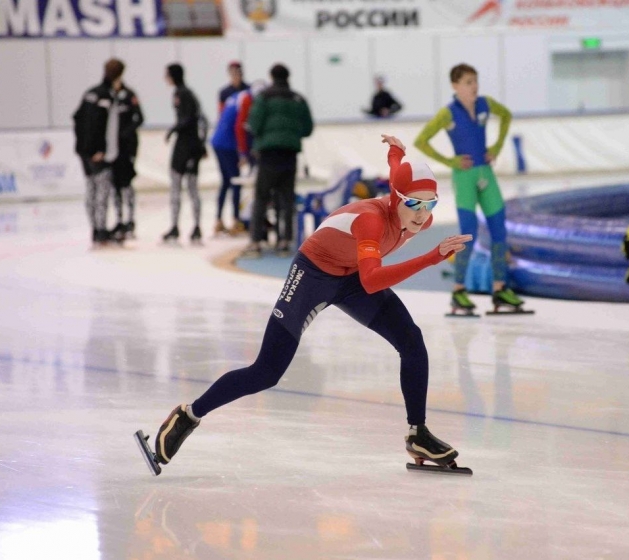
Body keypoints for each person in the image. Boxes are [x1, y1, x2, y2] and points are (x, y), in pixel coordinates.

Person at [141, 135, 473, 474]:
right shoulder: (371, 220)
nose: (422, 215)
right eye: (414, 204)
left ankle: (417, 433)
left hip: (353, 274)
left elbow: (396, 174)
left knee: (412, 342)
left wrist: (396, 151)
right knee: (266, 371)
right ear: (396, 198)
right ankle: (189, 414)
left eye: (430, 204)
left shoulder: (413, 209)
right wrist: (433, 257)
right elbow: (373, 280)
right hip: (314, 273)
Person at [414, 63, 526, 313]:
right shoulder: (448, 113)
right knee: (469, 232)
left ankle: (500, 289)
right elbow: (421, 141)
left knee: (499, 230)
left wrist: (496, 146)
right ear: (455, 86)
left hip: (486, 173)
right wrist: (449, 161)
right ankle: (458, 291)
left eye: (475, 81)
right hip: (464, 176)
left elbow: (506, 115)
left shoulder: (485, 104)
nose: (474, 86)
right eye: (468, 82)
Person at [243, 63, 313, 257]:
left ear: (271, 77)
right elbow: (307, 129)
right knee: (286, 199)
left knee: (261, 198)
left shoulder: (263, 98)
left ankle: (256, 242)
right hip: (289, 155)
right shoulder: (298, 99)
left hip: (267, 156)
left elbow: (253, 125)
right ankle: (284, 241)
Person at [73, 58, 129, 247]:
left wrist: (82, 148)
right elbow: (95, 124)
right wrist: (98, 149)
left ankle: (96, 229)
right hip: (98, 152)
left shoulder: (92, 92)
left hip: (86, 151)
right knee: (100, 192)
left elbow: (77, 118)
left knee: (92, 190)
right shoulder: (105, 96)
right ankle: (100, 230)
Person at [210, 80, 267, 236]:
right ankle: (236, 220)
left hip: (219, 141)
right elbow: (240, 127)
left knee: (226, 182)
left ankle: (219, 220)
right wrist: (243, 153)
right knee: (236, 182)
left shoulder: (238, 96)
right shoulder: (248, 100)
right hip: (228, 144)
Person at [162, 63, 207, 244]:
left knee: (188, 188)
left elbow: (191, 120)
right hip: (187, 146)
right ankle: (177, 226)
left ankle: (194, 226)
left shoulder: (183, 94)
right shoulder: (185, 93)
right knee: (183, 187)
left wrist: (174, 129)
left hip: (187, 146)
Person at [110, 70, 145, 241]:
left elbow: (140, 118)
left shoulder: (129, 95)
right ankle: (119, 219)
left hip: (128, 148)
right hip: (113, 149)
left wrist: (126, 133)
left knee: (127, 183)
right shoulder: (109, 96)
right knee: (115, 185)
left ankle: (131, 219)